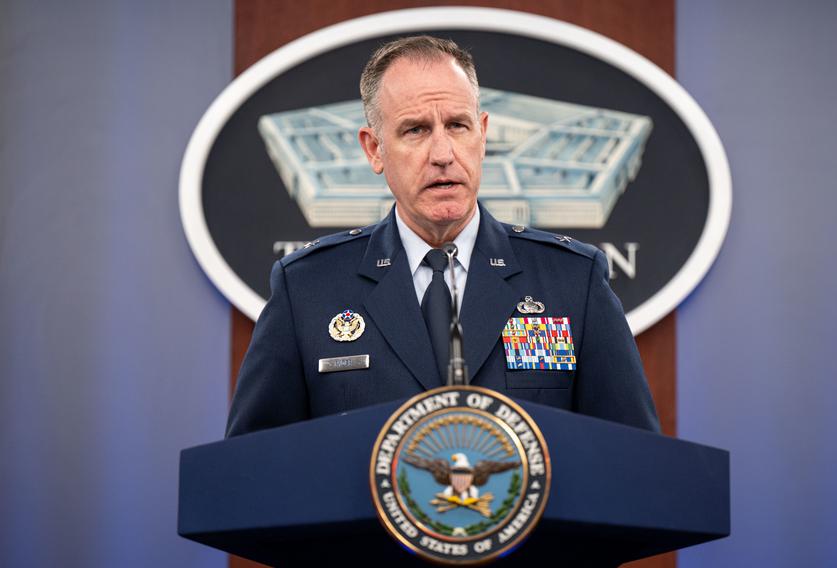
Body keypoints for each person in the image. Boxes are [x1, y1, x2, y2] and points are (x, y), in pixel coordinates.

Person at [226, 36, 659, 437]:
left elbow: (633, 461)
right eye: (415, 130)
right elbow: (253, 471)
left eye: (457, 125)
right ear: (374, 149)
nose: (443, 155)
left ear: (483, 134)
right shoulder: (307, 288)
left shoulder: (572, 281)